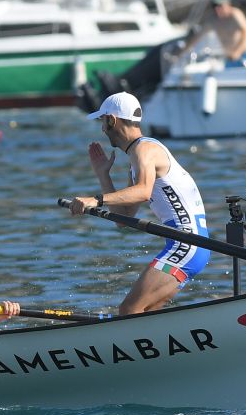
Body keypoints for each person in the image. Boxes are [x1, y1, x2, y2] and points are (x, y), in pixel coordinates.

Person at [65, 92, 210, 314]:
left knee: (129, 310)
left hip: (186, 244)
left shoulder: (146, 150)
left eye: (103, 122)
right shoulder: (136, 158)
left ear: (112, 120)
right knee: (144, 314)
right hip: (189, 246)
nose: (103, 129)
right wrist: (104, 176)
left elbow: (143, 192)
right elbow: (124, 218)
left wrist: (95, 200)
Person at [176, 0, 246, 68]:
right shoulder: (213, 20)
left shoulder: (235, 15)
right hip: (230, 57)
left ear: (227, 4)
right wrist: (182, 52)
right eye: (215, 6)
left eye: (221, 6)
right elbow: (198, 36)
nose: (218, 9)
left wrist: (237, 52)